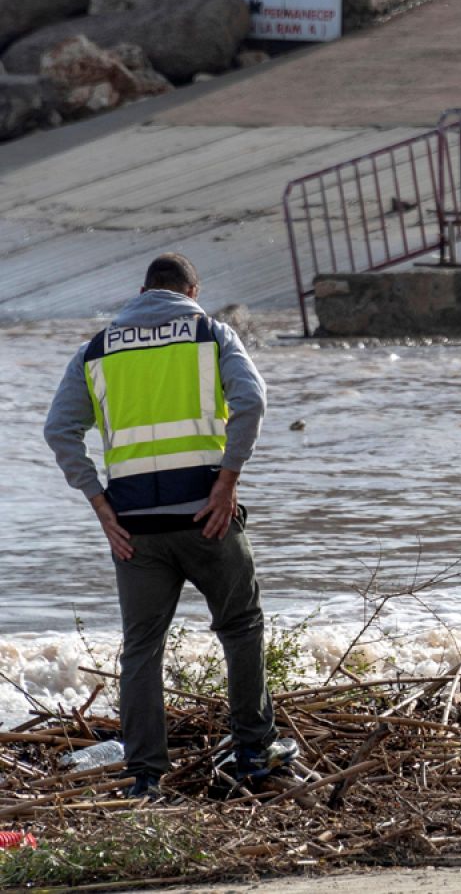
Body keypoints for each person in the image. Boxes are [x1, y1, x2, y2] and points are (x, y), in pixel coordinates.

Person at [43, 253, 298, 798]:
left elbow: (60, 430)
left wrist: (99, 504)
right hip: (206, 514)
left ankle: (144, 776)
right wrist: (227, 483)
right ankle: (255, 750)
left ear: (142, 290)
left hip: (133, 526)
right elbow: (251, 401)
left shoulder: (98, 348)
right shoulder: (209, 332)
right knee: (241, 625)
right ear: (193, 290)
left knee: (141, 647)